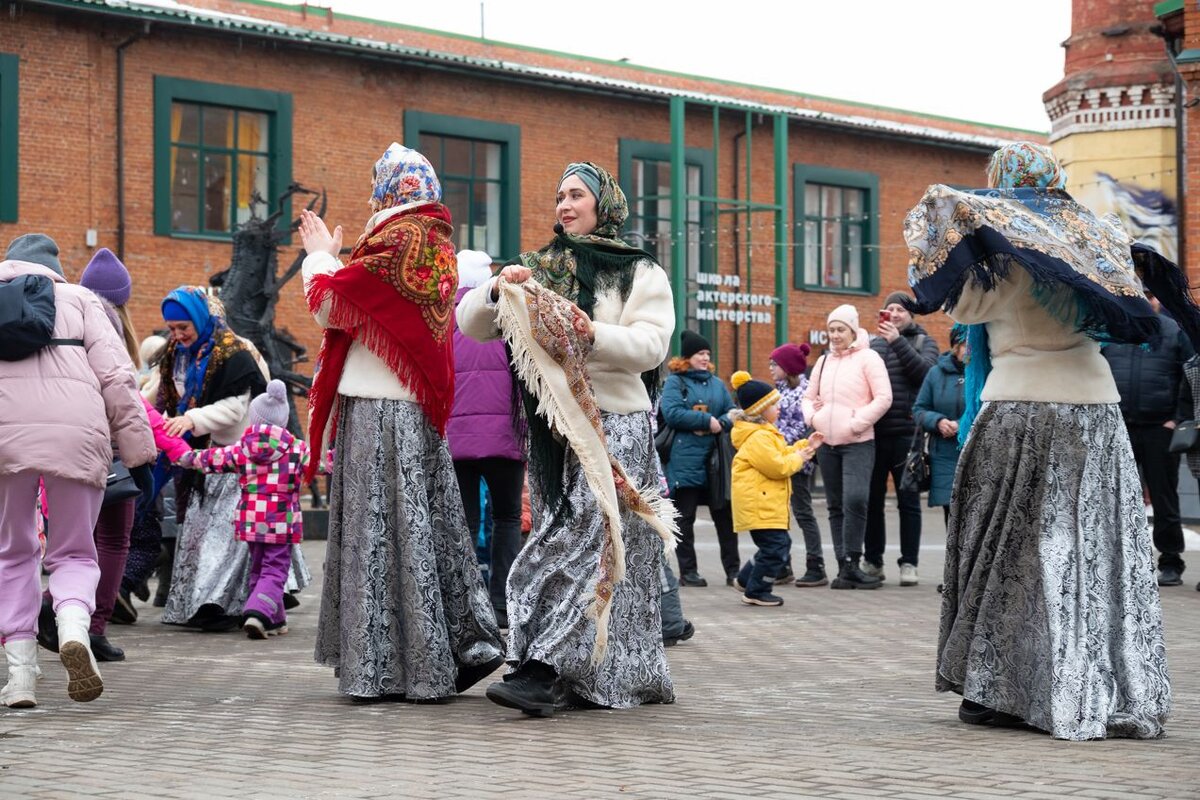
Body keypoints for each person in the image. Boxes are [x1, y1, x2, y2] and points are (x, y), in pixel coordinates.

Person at [907, 141, 1179, 739]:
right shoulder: (1094, 241)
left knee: (1010, 548)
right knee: (1094, 550)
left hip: (1023, 409)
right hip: (1098, 413)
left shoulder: (1007, 257)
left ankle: (1002, 688)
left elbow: (957, 300)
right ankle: (1101, 682)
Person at [457, 161, 676, 717]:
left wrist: (588, 332)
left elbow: (651, 346)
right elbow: (471, 324)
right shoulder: (538, 267)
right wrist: (495, 289)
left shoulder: (637, 270)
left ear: (604, 203)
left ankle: (547, 669)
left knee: (592, 547)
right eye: (558, 196)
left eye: (576, 194)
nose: (564, 205)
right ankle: (551, 664)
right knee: (569, 541)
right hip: (555, 433)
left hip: (614, 427)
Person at [301, 142, 503, 701]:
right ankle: (457, 647)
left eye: (376, 184)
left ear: (390, 190)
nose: (370, 194)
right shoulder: (431, 240)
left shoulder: (399, 239)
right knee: (422, 532)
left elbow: (329, 303)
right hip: (408, 409)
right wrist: (341, 262)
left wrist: (319, 256)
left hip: (379, 408)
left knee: (380, 534)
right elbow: (369, 304)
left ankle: (387, 665)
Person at [0, 233, 156, 707]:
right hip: (77, 434)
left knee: (12, 553)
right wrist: (138, 453)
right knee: (75, 552)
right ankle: (73, 630)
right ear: (56, 269)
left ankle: (21, 676)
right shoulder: (83, 300)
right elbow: (118, 378)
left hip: (4, 436)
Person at [149, 286, 308, 631]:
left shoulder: (235, 354)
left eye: (182, 328)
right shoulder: (176, 353)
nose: (176, 335)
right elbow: (160, 391)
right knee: (231, 546)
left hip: (238, 465)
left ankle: (225, 603)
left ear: (201, 319)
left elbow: (237, 406)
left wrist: (192, 420)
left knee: (233, 545)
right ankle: (248, 603)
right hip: (212, 462)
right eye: (171, 329)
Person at [175, 380, 308, 639]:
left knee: (259, 568)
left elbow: (211, 459)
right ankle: (257, 613)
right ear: (282, 421)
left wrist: (185, 457)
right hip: (281, 521)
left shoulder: (242, 448)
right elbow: (322, 463)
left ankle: (275, 620)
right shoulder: (296, 449)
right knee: (275, 569)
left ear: (254, 420)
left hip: (249, 520)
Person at [448, 249, 526, 629]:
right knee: (508, 518)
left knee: (463, 521)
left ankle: (466, 605)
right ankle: (502, 605)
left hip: (458, 439)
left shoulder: (445, 319)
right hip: (505, 439)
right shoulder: (506, 318)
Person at [1101, 293, 1194, 587]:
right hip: (1119, 428)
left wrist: (1176, 419)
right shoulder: (1112, 331)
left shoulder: (1173, 331)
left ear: (1155, 299)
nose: (1142, 299)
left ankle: (1170, 561)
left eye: (1148, 294)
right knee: (1118, 499)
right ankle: (1122, 563)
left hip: (1160, 428)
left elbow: (1189, 375)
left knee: (1164, 496)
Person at [802, 305, 890, 590]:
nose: (835, 335)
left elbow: (883, 397)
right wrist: (813, 417)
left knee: (856, 500)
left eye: (841, 329)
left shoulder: (869, 358)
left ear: (853, 329)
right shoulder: (824, 361)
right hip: (827, 443)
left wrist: (856, 422)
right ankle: (844, 567)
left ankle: (854, 558)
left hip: (858, 443)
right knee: (835, 505)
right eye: (831, 330)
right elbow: (808, 396)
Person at [729, 371, 823, 607]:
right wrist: (801, 458)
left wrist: (805, 447)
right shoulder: (758, 437)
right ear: (759, 410)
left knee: (775, 546)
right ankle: (757, 590)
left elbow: (782, 455)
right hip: (760, 505)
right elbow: (779, 467)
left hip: (765, 504)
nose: (779, 408)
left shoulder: (765, 434)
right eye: (774, 404)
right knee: (776, 547)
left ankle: (746, 578)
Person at [865, 292, 939, 586]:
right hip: (875, 432)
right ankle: (872, 561)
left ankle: (910, 563)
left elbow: (926, 374)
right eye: (888, 309)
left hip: (908, 435)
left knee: (908, 502)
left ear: (911, 314)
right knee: (872, 501)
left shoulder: (924, 341)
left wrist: (897, 341)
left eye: (899, 309)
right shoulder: (873, 345)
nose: (893, 314)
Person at [661, 330, 739, 586]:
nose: (705, 358)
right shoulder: (675, 382)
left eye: (707, 354)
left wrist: (720, 423)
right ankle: (689, 572)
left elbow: (731, 412)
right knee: (685, 517)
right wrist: (708, 420)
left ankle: (733, 571)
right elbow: (671, 412)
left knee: (725, 517)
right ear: (687, 357)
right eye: (699, 354)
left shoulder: (717, 384)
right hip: (685, 461)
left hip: (715, 460)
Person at [768, 342, 825, 587]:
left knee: (802, 511)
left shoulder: (803, 394)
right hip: (779, 460)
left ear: (788, 367)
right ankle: (782, 564)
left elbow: (803, 426)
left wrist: (780, 441)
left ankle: (816, 563)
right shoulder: (777, 392)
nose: (771, 368)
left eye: (775, 364)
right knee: (780, 514)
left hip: (798, 461)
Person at [912, 325, 967, 525]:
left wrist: (962, 425)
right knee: (951, 512)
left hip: (974, 451)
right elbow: (919, 410)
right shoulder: (936, 374)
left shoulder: (984, 373)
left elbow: (987, 410)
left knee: (973, 510)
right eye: (964, 345)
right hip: (944, 453)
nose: (969, 350)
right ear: (955, 346)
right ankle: (953, 557)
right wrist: (938, 421)